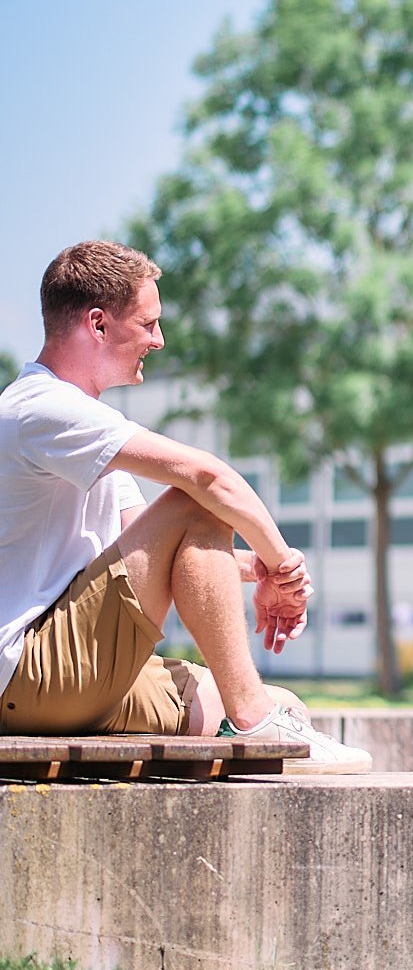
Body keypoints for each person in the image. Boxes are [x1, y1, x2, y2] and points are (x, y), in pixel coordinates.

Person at [0, 241, 370, 772]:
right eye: (148, 323)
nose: (159, 339)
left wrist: (256, 569)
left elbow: (156, 554)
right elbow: (205, 477)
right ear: (99, 324)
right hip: (31, 672)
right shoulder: (42, 408)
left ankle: (252, 713)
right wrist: (284, 565)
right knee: (198, 502)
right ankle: (251, 715)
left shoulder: (84, 425)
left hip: (64, 671)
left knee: (287, 707)